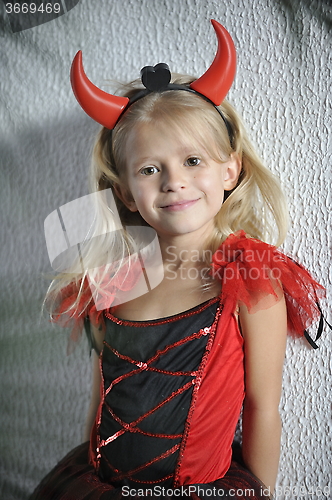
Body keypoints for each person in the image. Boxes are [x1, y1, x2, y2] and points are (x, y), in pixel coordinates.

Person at [30, 20, 328, 500]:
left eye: (193, 161)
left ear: (230, 170)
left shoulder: (249, 281)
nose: (174, 182)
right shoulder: (109, 283)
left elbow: (262, 407)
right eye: (150, 169)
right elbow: (99, 401)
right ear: (126, 192)